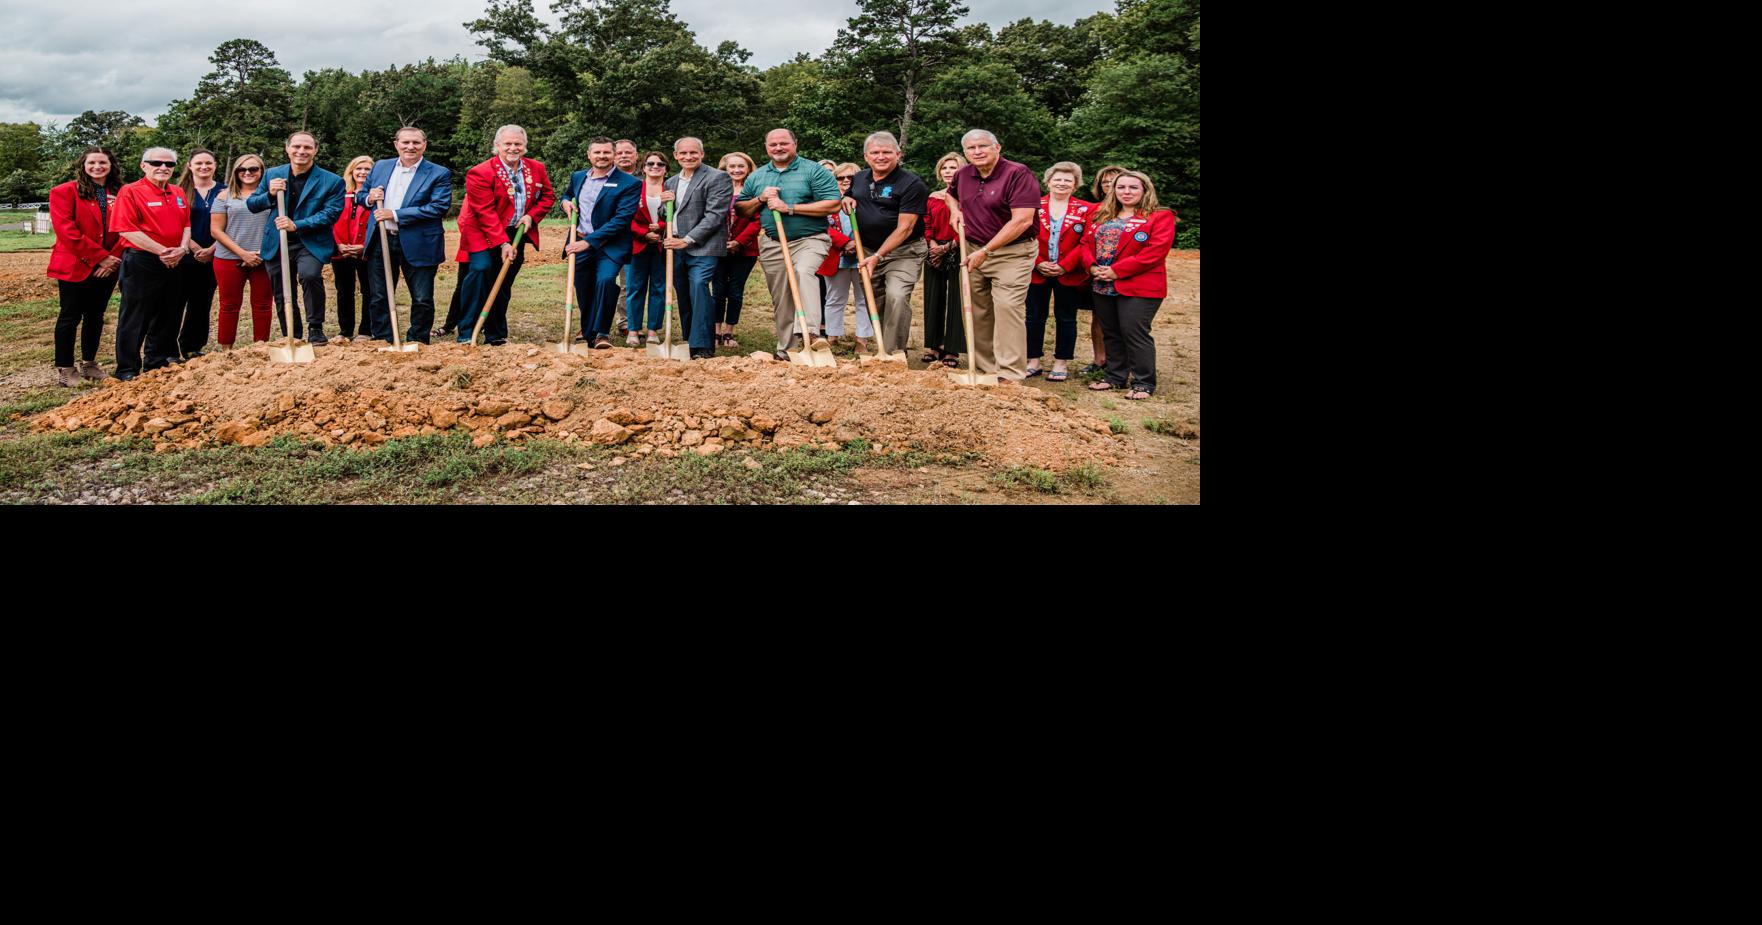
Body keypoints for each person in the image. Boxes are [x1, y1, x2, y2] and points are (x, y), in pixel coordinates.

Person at [734, 128, 842, 359]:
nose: (778, 148)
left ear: (795, 144)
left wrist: (789, 208)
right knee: (782, 297)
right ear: (766, 147)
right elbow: (741, 209)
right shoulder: (758, 176)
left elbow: (833, 204)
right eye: (773, 144)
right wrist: (760, 199)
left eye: (784, 143)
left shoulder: (813, 170)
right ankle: (787, 349)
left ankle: (811, 333)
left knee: (804, 272)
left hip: (810, 239)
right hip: (773, 243)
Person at [946, 129, 1038, 382]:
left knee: (1008, 307)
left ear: (997, 147)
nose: (977, 152)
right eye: (971, 149)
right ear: (965, 153)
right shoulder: (964, 174)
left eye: (983, 146)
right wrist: (954, 210)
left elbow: (1022, 221)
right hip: (973, 249)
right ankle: (986, 369)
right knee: (977, 310)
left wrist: (987, 251)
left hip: (1012, 252)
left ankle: (1009, 373)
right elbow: (950, 195)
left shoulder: (1018, 174)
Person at [452, 125, 555, 345]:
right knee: (480, 271)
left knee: (504, 280)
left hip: (515, 230)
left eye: (518, 144)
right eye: (507, 143)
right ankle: (466, 331)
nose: (513, 148)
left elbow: (547, 196)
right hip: (482, 230)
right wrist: (503, 243)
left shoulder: (536, 168)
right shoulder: (480, 172)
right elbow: (484, 212)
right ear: (497, 146)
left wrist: (531, 216)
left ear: (525, 147)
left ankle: (495, 334)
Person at [1079, 169, 1176, 400]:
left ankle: (1144, 382)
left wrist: (1117, 271)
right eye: (1121, 187)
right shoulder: (1102, 215)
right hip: (1102, 283)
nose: (1126, 191)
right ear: (1113, 190)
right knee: (1111, 332)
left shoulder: (1159, 216)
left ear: (1145, 190)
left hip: (1140, 285)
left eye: (1133, 187)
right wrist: (1092, 267)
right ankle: (1115, 377)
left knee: (1134, 331)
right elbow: (1084, 244)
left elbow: (1155, 252)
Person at [247, 131, 345, 343]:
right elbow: (252, 205)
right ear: (287, 148)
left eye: (308, 147)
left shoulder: (332, 181)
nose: (302, 151)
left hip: (310, 241)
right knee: (282, 288)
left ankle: (316, 327)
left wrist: (297, 225)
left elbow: (331, 213)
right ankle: (291, 332)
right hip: (277, 242)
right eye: (297, 147)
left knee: (310, 275)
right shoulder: (273, 174)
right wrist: (270, 195)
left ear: (315, 151)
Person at [359, 127, 452, 343]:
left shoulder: (438, 173)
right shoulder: (381, 166)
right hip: (381, 240)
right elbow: (361, 196)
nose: (410, 147)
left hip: (420, 242)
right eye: (405, 142)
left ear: (424, 145)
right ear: (396, 144)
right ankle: (383, 338)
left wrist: (396, 214)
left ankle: (417, 340)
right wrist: (370, 198)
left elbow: (438, 207)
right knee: (379, 295)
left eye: (416, 143)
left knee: (421, 297)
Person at [841, 131, 927, 357]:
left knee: (897, 296)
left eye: (887, 152)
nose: (881, 157)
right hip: (867, 250)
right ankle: (881, 344)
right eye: (875, 152)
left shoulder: (912, 184)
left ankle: (892, 354)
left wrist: (879, 255)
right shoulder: (859, 177)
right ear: (866, 156)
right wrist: (846, 198)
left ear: (898, 154)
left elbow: (905, 228)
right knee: (875, 300)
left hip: (904, 252)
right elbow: (851, 194)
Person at [109, 147, 189, 380]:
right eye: (156, 163)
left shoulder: (177, 192)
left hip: (175, 260)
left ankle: (157, 361)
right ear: (143, 166)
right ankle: (127, 368)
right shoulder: (130, 191)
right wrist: (162, 251)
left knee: (169, 313)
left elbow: (186, 225)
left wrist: (182, 249)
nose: (163, 168)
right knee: (136, 316)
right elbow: (126, 229)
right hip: (143, 260)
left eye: (169, 164)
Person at [45, 146, 124, 386]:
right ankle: (66, 368)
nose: (97, 167)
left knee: (96, 316)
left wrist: (112, 259)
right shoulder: (64, 191)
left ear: (111, 166)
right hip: (76, 263)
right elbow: (66, 230)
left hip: (109, 265)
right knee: (70, 316)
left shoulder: (120, 192)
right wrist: (99, 256)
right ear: (83, 165)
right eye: (92, 163)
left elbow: (128, 227)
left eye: (103, 163)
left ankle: (89, 364)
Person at [561, 137, 641, 348]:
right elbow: (568, 194)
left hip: (610, 245)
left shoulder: (630, 183)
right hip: (579, 240)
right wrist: (565, 202)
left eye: (606, 152)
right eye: (597, 152)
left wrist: (590, 242)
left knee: (605, 282)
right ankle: (588, 333)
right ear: (589, 155)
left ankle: (602, 333)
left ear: (614, 155)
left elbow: (621, 220)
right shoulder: (578, 177)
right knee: (584, 288)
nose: (602, 156)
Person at [660, 136, 731, 360]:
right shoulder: (671, 181)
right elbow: (668, 215)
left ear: (701, 154)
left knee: (699, 286)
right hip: (676, 246)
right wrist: (664, 204)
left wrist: (688, 240)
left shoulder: (718, 177)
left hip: (703, 246)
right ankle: (690, 339)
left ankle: (702, 347)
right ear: (676, 156)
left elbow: (715, 215)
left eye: (693, 153)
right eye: (683, 153)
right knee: (683, 293)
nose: (688, 157)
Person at [1026, 161, 1092, 382]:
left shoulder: (1087, 209)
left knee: (1066, 318)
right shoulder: (1033, 205)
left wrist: (1065, 265)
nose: (1062, 183)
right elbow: (1024, 237)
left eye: (1068, 180)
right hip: (1037, 271)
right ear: (1048, 182)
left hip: (1069, 273)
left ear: (1075, 184)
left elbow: (1087, 242)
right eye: (1058, 179)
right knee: (1034, 317)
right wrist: (1037, 262)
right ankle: (1033, 360)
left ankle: (1061, 362)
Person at [209, 154, 275, 348]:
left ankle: (260, 346)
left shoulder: (272, 196)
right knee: (229, 305)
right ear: (236, 172)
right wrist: (243, 253)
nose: (247, 173)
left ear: (262, 171)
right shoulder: (224, 196)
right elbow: (216, 230)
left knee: (263, 305)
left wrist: (261, 252)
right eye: (242, 169)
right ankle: (226, 348)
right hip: (229, 257)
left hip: (264, 257)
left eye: (253, 169)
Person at [174, 148, 222, 359]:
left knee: (201, 303)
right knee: (175, 303)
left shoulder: (225, 190)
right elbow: (173, 224)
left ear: (215, 166)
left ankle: (192, 346)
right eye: (199, 163)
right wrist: (193, 247)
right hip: (183, 255)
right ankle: (168, 348)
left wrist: (212, 249)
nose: (204, 167)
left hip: (214, 254)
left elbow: (230, 223)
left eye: (208, 163)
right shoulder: (178, 191)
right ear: (190, 166)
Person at [920, 152, 965, 368]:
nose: (948, 171)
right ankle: (933, 344)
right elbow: (926, 222)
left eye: (953, 168)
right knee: (933, 296)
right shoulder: (932, 197)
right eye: (945, 168)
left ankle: (952, 349)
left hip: (959, 248)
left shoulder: (967, 196)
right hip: (934, 248)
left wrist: (949, 247)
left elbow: (970, 224)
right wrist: (932, 246)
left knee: (957, 298)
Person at [817, 163, 869, 347]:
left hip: (863, 255)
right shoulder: (828, 201)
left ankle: (861, 339)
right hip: (836, 255)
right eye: (841, 178)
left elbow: (876, 224)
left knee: (865, 298)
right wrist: (844, 243)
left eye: (851, 178)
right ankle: (832, 336)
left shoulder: (867, 201)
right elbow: (822, 225)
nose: (846, 181)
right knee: (834, 298)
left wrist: (858, 244)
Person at [713, 152, 760, 349]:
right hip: (717, 247)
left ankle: (729, 332)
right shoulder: (716, 189)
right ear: (725, 168)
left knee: (735, 291)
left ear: (748, 168)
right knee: (718, 290)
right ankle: (714, 331)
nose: (736, 170)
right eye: (732, 166)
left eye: (741, 166)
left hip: (745, 250)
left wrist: (739, 241)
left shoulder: (754, 190)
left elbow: (757, 221)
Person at [1082, 164, 1127, 374]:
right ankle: (1100, 359)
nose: (1110, 185)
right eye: (1105, 182)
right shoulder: (1095, 211)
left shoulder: (1141, 211)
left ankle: (1125, 362)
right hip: (1098, 272)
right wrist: (1092, 266)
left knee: (1128, 320)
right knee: (1099, 318)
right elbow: (1084, 242)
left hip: (1127, 273)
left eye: (1114, 180)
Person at [623, 151, 671, 346]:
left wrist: (660, 228)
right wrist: (644, 233)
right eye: (650, 163)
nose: (655, 166)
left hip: (662, 244)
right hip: (637, 244)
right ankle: (633, 329)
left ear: (666, 169)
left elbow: (678, 215)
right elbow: (626, 216)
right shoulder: (634, 188)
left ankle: (653, 330)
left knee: (659, 288)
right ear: (643, 168)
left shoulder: (670, 188)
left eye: (660, 164)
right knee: (635, 288)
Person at [331, 155, 374, 341]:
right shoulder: (339, 193)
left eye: (367, 169)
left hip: (366, 251)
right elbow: (331, 220)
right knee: (344, 291)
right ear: (351, 171)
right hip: (341, 250)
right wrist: (339, 245)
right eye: (359, 168)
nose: (363, 172)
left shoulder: (376, 195)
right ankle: (345, 331)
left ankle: (366, 330)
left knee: (370, 290)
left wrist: (363, 247)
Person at [610, 138, 640, 336]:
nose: (623, 156)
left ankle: (626, 322)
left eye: (628, 152)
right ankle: (593, 324)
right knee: (602, 282)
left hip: (636, 239)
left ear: (636, 155)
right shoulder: (604, 177)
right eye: (619, 153)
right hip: (608, 238)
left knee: (628, 283)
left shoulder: (646, 179)